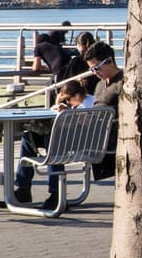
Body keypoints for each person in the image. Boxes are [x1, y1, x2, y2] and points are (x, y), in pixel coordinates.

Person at [13, 79, 92, 207]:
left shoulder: (88, 104)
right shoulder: (80, 102)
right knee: (28, 138)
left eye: (67, 99)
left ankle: (56, 193)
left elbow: (85, 123)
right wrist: (60, 104)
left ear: (77, 95)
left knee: (53, 140)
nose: (67, 102)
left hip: (81, 143)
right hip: (71, 140)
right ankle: (23, 189)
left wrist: (66, 112)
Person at [84, 41, 122, 180]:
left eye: (97, 68)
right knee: (32, 137)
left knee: (52, 138)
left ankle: (54, 191)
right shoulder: (100, 84)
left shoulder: (122, 83)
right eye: (92, 70)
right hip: (93, 132)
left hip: (106, 136)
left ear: (110, 60)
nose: (95, 73)